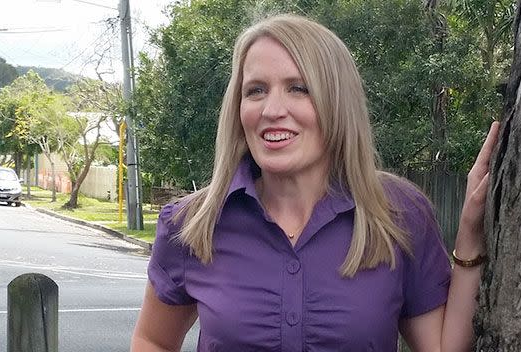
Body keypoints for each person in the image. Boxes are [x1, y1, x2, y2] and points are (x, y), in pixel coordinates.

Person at [131, 13, 500, 352]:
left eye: (298, 88)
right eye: (256, 90)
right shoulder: (191, 225)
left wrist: (469, 235)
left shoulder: (398, 215)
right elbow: (152, 339)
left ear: (337, 102)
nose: (272, 110)